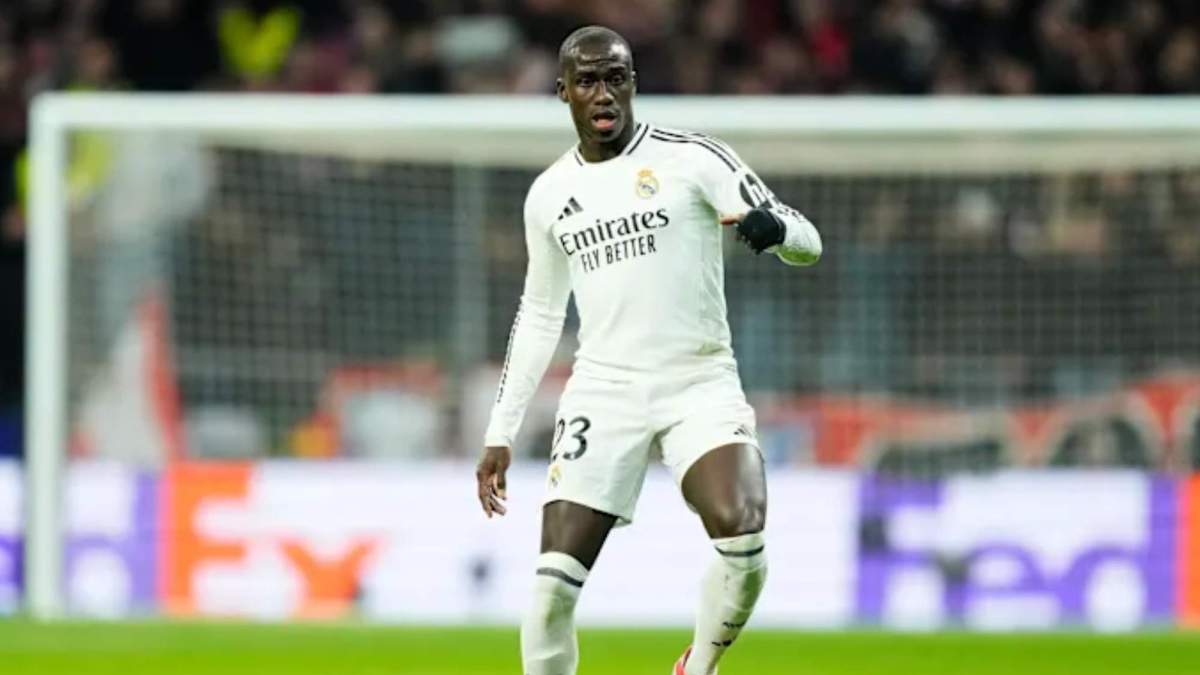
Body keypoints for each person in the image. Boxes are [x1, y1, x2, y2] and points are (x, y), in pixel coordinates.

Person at [474, 25, 821, 675]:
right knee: (551, 588)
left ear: (633, 84)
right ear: (562, 93)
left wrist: (778, 232)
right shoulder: (549, 195)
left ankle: (700, 663)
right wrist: (501, 428)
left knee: (744, 536)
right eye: (587, 81)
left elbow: (809, 241)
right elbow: (541, 311)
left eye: (616, 78)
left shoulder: (694, 159)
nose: (603, 93)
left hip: (699, 379)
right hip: (605, 391)